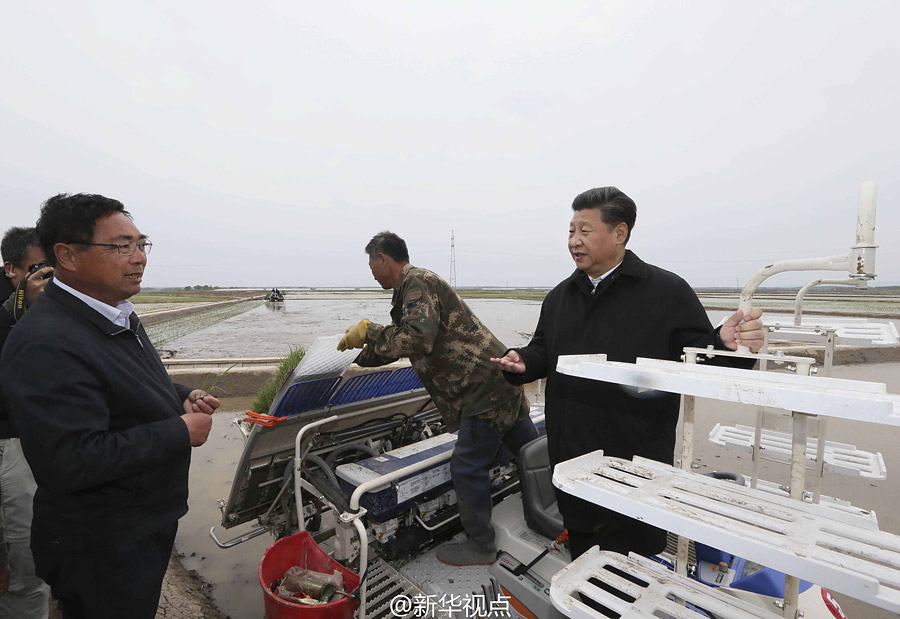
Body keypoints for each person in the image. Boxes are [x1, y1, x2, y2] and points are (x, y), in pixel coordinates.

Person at [491, 186, 765, 560]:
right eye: (571, 231)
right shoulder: (560, 297)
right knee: (586, 558)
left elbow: (703, 356)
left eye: (584, 231)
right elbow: (543, 348)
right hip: (573, 454)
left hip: (636, 459)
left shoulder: (666, 292)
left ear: (620, 233)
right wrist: (522, 361)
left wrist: (728, 343)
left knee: (634, 563)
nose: (574, 241)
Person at [0, 194, 220, 619]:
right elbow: (72, 458)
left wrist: (179, 395)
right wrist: (179, 430)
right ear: (66, 255)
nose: (138, 258)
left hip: (140, 524)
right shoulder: (47, 341)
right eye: (121, 246)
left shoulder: (113, 312)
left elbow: (118, 382)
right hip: (102, 543)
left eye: (141, 244)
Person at [337, 231, 538, 566]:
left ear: (383, 258)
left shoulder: (417, 283)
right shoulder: (413, 288)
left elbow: (417, 339)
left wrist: (369, 330)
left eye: (372, 264)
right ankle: (552, 509)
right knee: (530, 453)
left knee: (467, 467)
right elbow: (402, 342)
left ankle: (482, 547)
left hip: (481, 391)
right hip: (498, 380)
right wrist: (357, 358)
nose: (371, 273)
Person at [0, 227, 53, 617]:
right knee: (18, 563)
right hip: (9, 443)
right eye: (36, 268)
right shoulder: (12, 306)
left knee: (36, 561)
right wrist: (15, 309)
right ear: (10, 270)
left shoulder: (59, 303)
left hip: (41, 444)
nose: (45, 277)